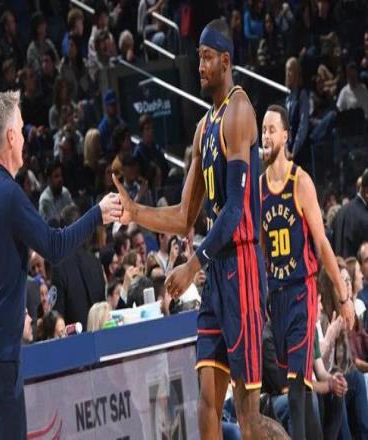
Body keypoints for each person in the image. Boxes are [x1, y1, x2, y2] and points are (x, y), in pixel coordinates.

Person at [114, 18, 287, 439]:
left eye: (207, 58)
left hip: (242, 268)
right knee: (207, 400)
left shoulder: (240, 112)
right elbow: (183, 216)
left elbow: (234, 212)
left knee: (248, 418)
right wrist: (136, 212)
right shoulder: (203, 127)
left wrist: (192, 265)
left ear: (226, 61)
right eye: (199, 58)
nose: (200, 66)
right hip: (216, 274)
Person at [0, 90, 121, 440]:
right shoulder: (9, 195)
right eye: (21, 129)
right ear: (11, 137)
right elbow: (55, 247)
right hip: (0, 357)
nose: (25, 137)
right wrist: (97, 214)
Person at [260, 104, 354, 439]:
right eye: (263, 130)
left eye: (272, 130)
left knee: (297, 387)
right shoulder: (258, 188)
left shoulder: (300, 181)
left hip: (302, 292)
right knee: (302, 388)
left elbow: (322, 243)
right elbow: (262, 250)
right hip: (277, 299)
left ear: (286, 135)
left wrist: (343, 296)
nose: (266, 136)